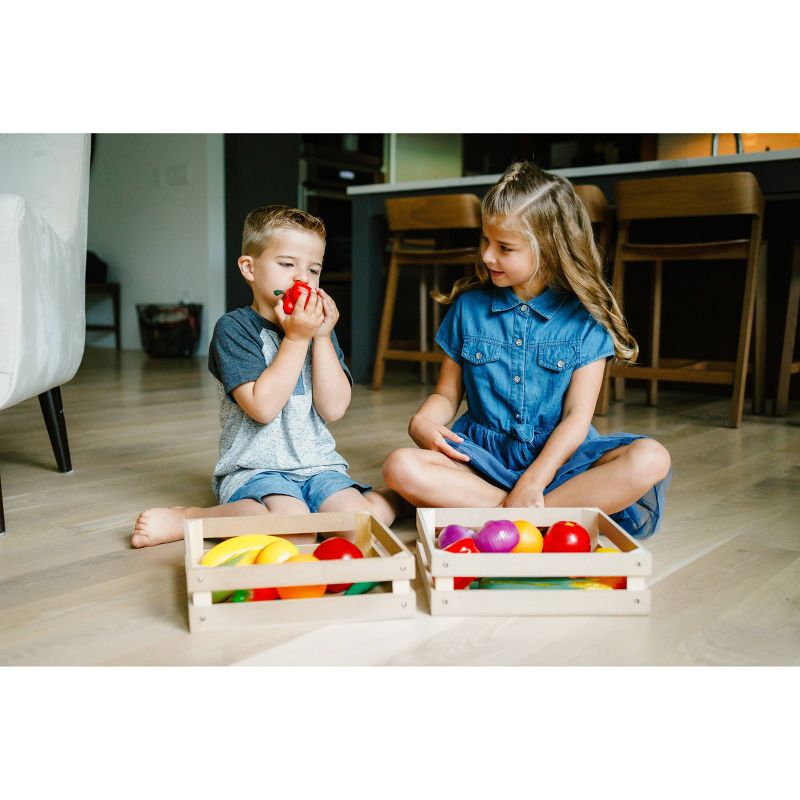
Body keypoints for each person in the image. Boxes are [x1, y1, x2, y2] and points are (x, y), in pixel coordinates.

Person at [382, 162, 672, 539]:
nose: (487, 256)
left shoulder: (585, 320)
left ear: (549, 249)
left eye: (505, 248)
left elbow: (575, 418)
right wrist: (422, 421)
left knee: (651, 458)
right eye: (485, 241)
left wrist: (535, 480)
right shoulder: (469, 308)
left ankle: (511, 515)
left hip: (560, 465)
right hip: (481, 462)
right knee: (399, 467)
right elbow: (446, 394)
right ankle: (539, 518)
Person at [132, 205, 397, 547]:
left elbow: (334, 409)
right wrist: (297, 338)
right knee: (295, 531)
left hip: (319, 467)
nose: (302, 278)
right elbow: (263, 407)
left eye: (313, 269)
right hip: (256, 470)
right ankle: (192, 518)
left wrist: (319, 337)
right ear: (249, 268)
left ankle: (394, 499)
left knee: (362, 530)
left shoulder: (316, 329)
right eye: (287, 264)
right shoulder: (234, 329)